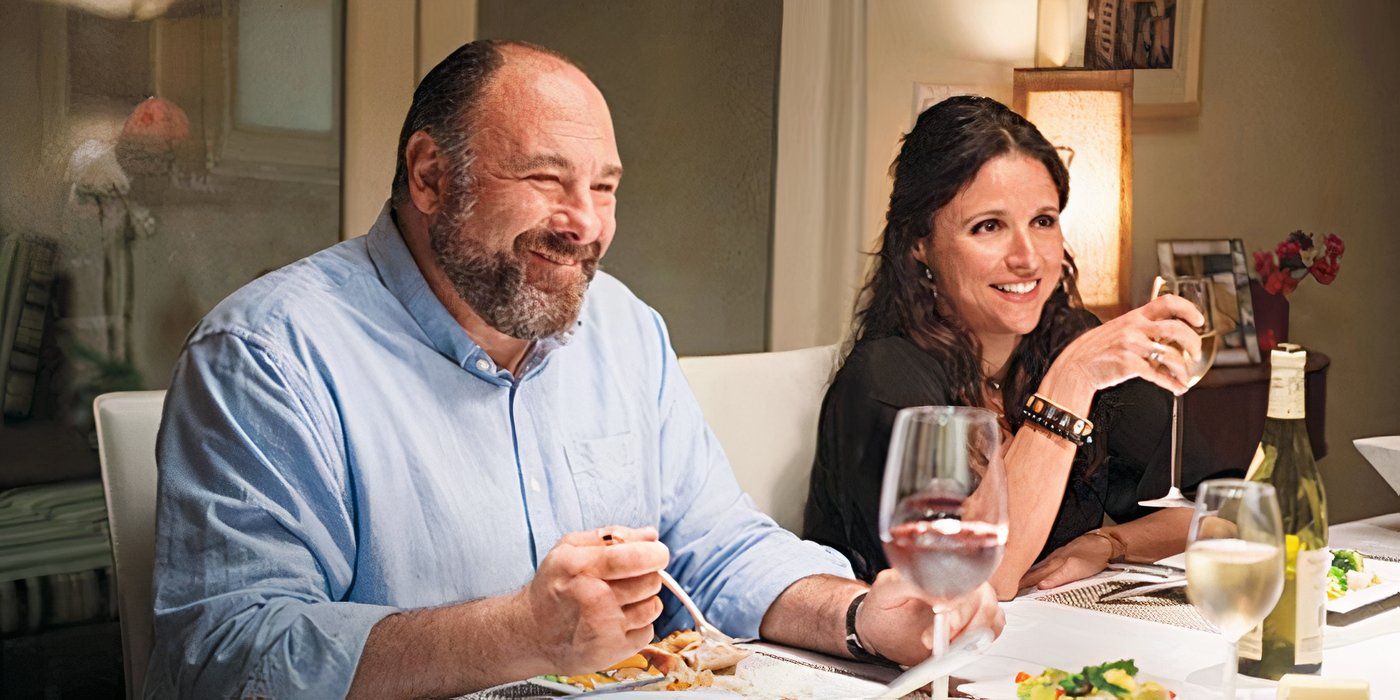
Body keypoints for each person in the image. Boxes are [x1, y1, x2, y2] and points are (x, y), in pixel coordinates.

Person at [146, 41, 1002, 698]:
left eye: (606, 188)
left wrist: (858, 615)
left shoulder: (623, 328)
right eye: (547, 180)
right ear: (431, 176)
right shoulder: (267, 355)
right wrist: (518, 633)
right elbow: (225, 657)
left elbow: (713, 545)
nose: (585, 224)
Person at [803, 95, 1214, 600]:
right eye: (988, 226)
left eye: (1043, 220)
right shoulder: (885, 378)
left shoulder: (1068, 339)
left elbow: (1219, 515)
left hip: (1035, 651)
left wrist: (1109, 543)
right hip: (900, 668)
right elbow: (971, 583)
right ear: (919, 243)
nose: (1027, 258)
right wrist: (1071, 381)